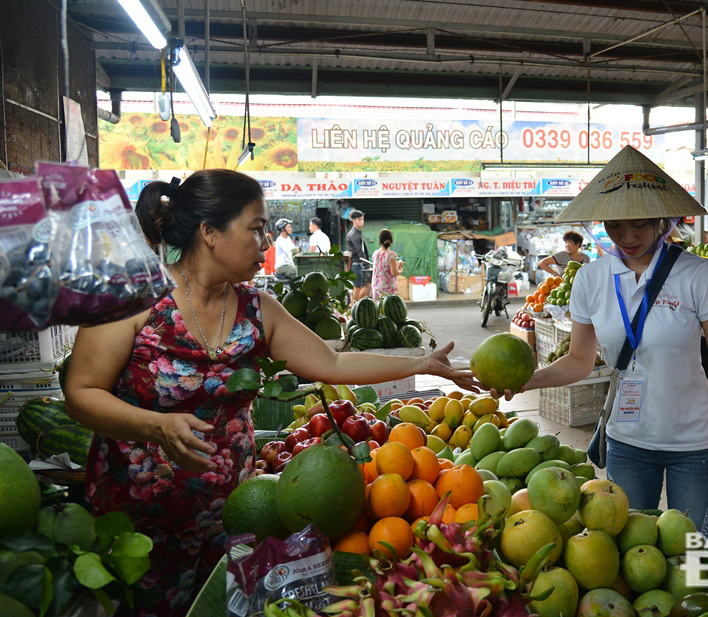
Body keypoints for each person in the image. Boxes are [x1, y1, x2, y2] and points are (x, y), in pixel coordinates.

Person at [62, 170, 476, 617]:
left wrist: (420, 363)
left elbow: (332, 364)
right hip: (137, 523)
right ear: (210, 233)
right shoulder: (133, 296)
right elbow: (81, 392)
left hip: (236, 517)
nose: (266, 242)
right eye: (256, 228)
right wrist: (157, 426)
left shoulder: (257, 309)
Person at [485, 146, 708, 534]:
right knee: (629, 555)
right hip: (627, 441)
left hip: (695, 442)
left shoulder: (697, 274)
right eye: (614, 225)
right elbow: (579, 359)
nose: (626, 237)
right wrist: (527, 379)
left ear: (662, 220)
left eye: (639, 224)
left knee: (694, 556)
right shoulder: (590, 279)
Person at [371, 229, 404, 300]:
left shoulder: (375, 253)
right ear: (391, 240)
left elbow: (382, 267)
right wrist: (400, 268)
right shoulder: (391, 255)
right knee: (389, 309)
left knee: (379, 309)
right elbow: (394, 273)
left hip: (376, 287)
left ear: (379, 240)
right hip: (387, 289)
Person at [347, 210, 370, 301]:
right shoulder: (353, 234)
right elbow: (359, 251)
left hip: (360, 263)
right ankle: (354, 305)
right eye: (359, 220)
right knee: (358, 286)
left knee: (368, 286)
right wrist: (367, 265)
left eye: (363, 220)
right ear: (353, 220)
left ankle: (355, 303)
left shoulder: (357, 232)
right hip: (357, 264)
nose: (362, 222)